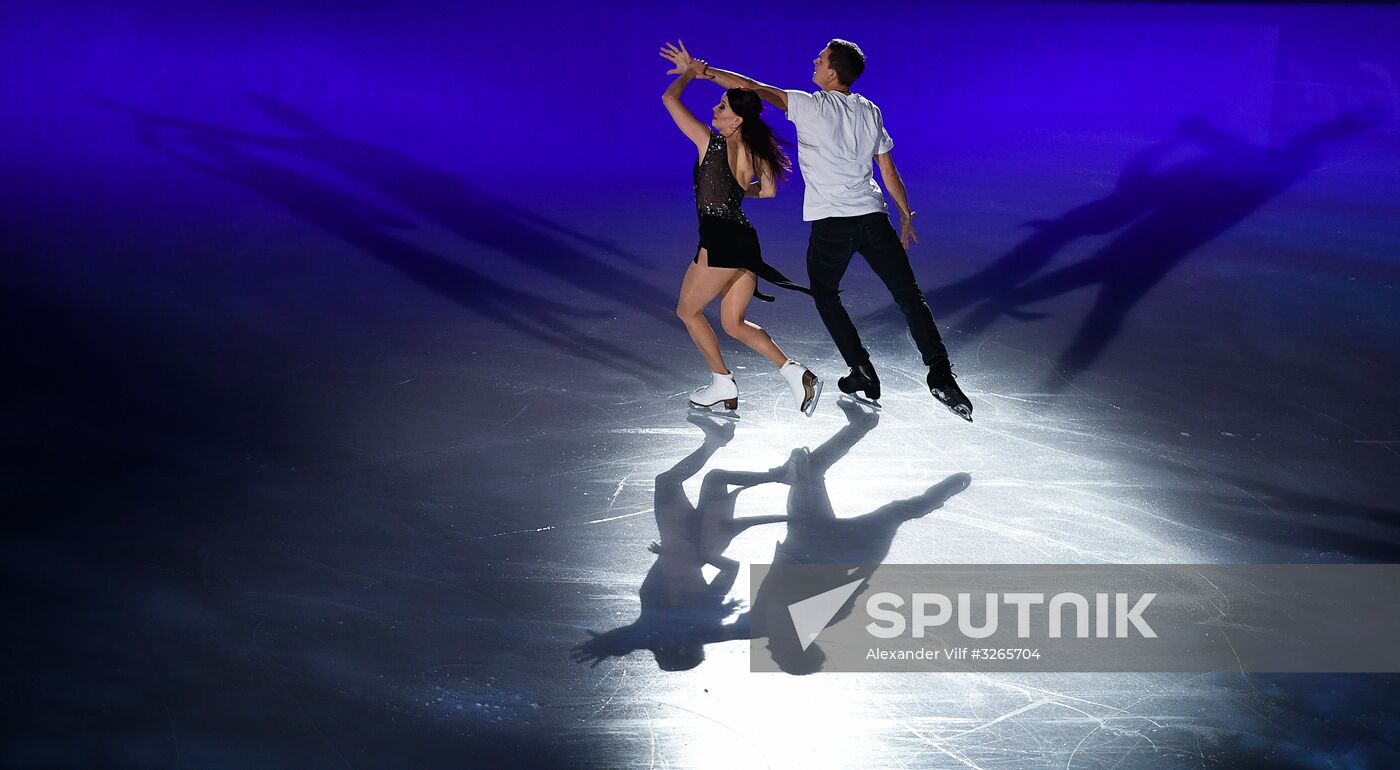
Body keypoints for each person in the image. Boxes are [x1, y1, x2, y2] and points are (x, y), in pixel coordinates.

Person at [678, 39, 974, 421]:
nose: (814, 62)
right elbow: (887, 170)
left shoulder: (811, 105)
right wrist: (904, 212)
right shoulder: (870, 110)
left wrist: (703, 71)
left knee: (825, 294)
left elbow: (752, 88)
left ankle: (862, 370)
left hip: (833, 223)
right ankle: (940, 374)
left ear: (832, 72)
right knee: (909, 296)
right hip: (873, 218)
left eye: (820, 59)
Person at [659, 42, 821, 416]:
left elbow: (669, 99)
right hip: (745, 240)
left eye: (722, 107)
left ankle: (722, 383)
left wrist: (689, 73)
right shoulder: (756, 150)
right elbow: (767, 190)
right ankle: (796, 373)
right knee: (733, 323)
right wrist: (733, 192)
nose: (715, 110)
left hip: (720, 242)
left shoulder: (710, 143)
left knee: (688, 312)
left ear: (736, 121)